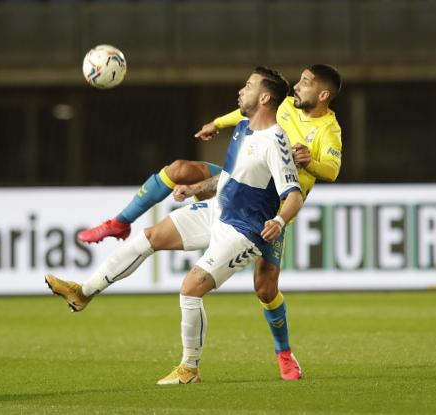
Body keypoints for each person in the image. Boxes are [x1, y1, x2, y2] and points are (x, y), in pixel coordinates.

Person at [78, 64, 343, 380]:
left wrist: (309, 161)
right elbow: (244, 114)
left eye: (307, 82)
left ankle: (284, 353)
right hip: (241, 184)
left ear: (323, 94)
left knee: (265, 289)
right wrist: (215, 124)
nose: (298, 85)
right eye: (298, 80)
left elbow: (332, 169)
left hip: (271, 207)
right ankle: (119, 223)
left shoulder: (328, 130)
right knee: (179, 170)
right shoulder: (279, 106)